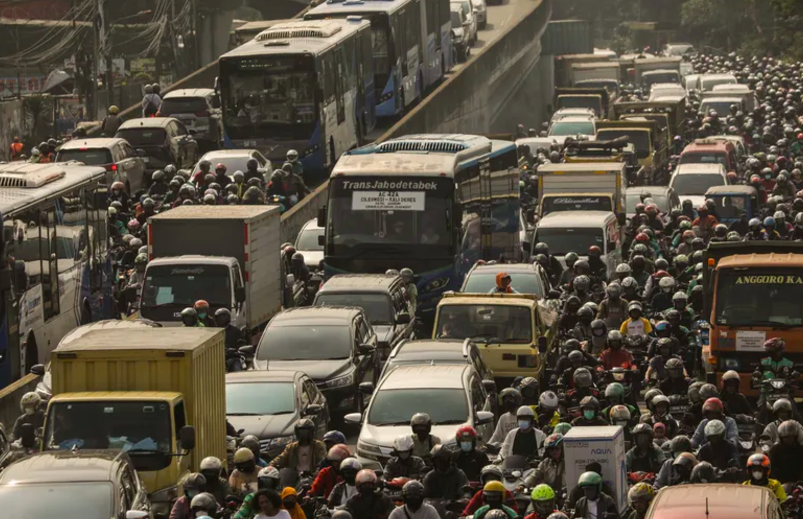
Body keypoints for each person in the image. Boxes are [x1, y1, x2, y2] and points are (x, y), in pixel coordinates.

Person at [269, 418, 327, 487]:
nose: (303, 435)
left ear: (311, 432)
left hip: (312, 477)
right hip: (294, 478)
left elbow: (322, 461)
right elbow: (280, 459)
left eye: (306, 432)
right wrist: (270, 467)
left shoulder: (318, 446)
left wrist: (316, 473)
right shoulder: (291, 447)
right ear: (297, 432)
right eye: (301, 432)